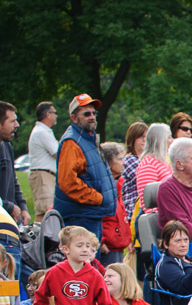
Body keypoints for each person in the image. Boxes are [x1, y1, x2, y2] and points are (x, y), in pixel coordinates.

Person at [54, 94, 113, 237]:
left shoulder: (87, 138)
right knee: (84, 258)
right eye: (86, 114)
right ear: (74, 118)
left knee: (92, 259)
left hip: (90, 214)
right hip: (80, 216)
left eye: (94, 113)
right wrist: (98, 198)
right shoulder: (72, 142)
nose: (92, 116)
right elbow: (68, 182)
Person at [98, 142, 132, 265]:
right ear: (109, 162)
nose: (124, 162)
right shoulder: (101, 186)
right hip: (107, 246)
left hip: (117, 244)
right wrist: (100, 242)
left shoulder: (116, 184)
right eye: (120, 159)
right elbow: (95, 214)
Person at [27, 101, 59, 220]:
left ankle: (41, 237)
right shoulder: (42, 132)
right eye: (54, 112)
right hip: (42, 176)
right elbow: (58, 153)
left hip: (44, 175)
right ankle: (40, 238)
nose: (56, 116)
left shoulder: (44, 131)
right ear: (48, 114)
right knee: (47, 211)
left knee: (45, 212)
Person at [0, 101, 29, 227]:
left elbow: (13, 180)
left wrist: (22, 207)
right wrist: (8, 206)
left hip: (7, 221)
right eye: (12, 121)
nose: (17, 125)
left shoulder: (7, 146)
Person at [135, 122, 172, 212]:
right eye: (169, 137)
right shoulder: (149, 164)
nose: (172, 140)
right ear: (161, 140)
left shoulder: (163, 161)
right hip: (156, 217)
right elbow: (147, 201)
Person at [121, 121, 149, 221]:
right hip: (132, 212)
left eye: (146, 136)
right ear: (132, 139)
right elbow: (146, 180)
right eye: (140, 136)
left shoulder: (148, 160)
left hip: (144, 211)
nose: (144, 140)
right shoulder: (129, 160)